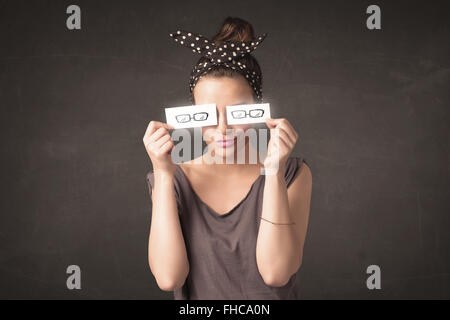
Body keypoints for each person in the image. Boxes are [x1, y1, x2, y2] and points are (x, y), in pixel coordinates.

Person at [142, 17, 312, 300]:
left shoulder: (293, 174)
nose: (222, 129)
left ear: (257, 109)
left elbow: (276, 273)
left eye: (237, 112)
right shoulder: (171, 180)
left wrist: (272, 172)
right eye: (207, 115)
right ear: (193, 113)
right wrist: (162, 173)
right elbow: (169, 277)